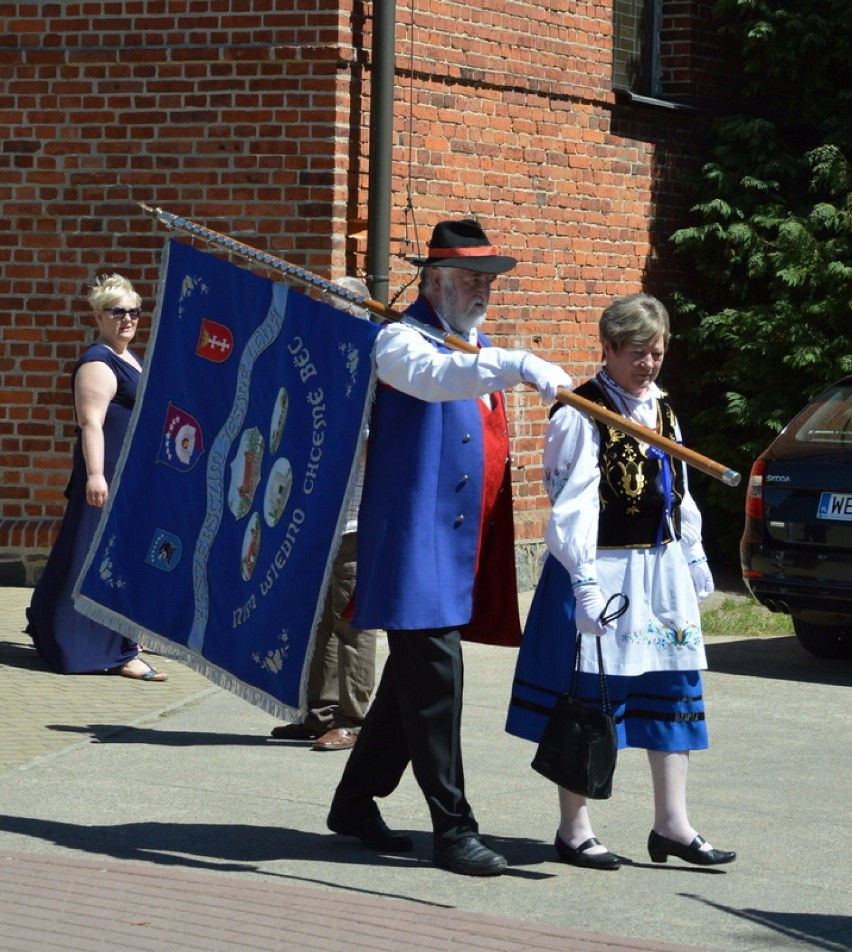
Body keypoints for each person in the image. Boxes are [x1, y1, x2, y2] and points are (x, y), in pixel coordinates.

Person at [325, 218, 573, 876]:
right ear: (432, 281)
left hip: (460, 551)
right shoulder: (401, 343)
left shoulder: (474, 344)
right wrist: (517, 364)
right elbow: (438, 380)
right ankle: (454, 829)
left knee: (411, 689)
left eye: (487, 280)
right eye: (469, 279)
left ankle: (354, 803)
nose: (482, 290)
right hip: (413, 550)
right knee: (437, 688)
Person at [505, 293, 735, 870]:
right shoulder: (580, 412)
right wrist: (584, 583)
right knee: (591, 701)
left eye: (657, 352)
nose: (649, 364)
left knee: (674, 690)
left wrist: (694, 551)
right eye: (637, 352)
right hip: (605, 572)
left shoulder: (662, 410)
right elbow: (570, 508)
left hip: (660, 572)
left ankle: (672, 825)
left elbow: (676, 488)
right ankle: (574, 828)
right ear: (606, 348)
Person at [26, 274, 167, 682]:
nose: (127, 319)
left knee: (90, 557)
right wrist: (95, 476)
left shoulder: (130, 359)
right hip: (106, 479)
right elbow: (90, 423)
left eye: (134, 311)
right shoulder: (97, 362)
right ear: (98, 316)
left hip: (131, 479)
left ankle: (61, 627)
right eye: (117, 311)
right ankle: (112, 651)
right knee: (96, 562)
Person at [271, 277, 379, 751]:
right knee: (320, 618)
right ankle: (318, 712)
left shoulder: (371, 375)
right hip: (320, 519)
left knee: (353, 620)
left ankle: (354, 720)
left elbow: (375, 446)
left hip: (357, 517)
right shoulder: (325, 371)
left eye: (337, 314)